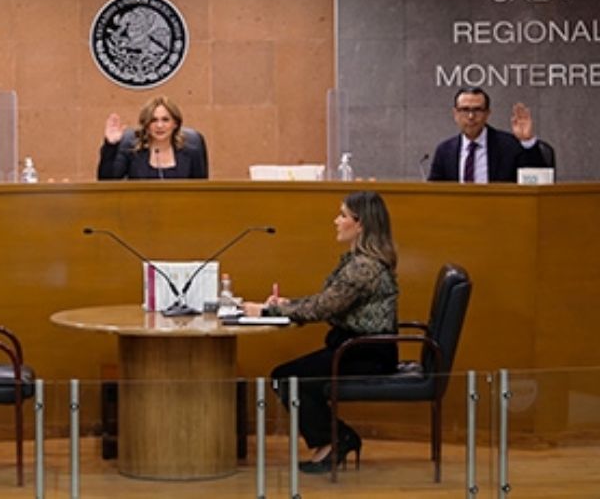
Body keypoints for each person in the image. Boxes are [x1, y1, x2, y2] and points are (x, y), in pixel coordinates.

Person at [243, 191, 399, 474]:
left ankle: (336, 440)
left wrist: (267, 312)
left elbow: (323, 308)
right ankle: (332, 439)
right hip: (355, 347)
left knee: (287, 377)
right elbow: (327, 300)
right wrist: (290, 304)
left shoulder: (364, 268)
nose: (336, 221)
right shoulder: (359, 261)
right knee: (291, 376)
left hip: (365, 353)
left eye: (342, 215)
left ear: (360, 224)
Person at [427, 87, 547, 183]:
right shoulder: (445, 151)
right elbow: (433, 193)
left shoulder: (508, 146)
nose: (471, 116)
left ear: (487, 113)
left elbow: (538, 180)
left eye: (477, 110)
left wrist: (527, 141)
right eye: (464, 110)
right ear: (455, 114)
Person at [97, 95, 208, 180]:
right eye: (153, 120)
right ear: (146, 124)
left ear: (175, 123)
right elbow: (107, 181)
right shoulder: (132, 149)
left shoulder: (191, 150)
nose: (159, 126)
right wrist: (111, 145)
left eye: (165, 120)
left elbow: (201, 192)